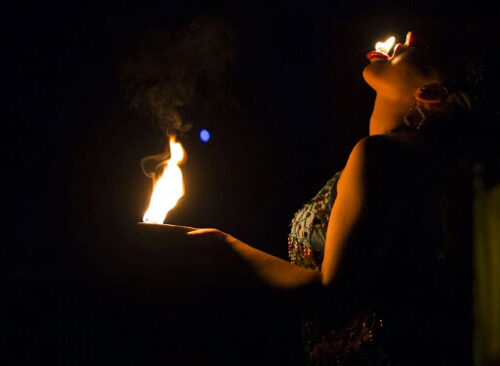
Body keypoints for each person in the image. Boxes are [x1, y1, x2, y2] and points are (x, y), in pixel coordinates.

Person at [187, 30, 480, 364]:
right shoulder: (405, 157)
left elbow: (335, 298)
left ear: (430, 93)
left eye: (420, 51)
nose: (404, 41)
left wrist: (223, 246)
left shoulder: (384, 155)